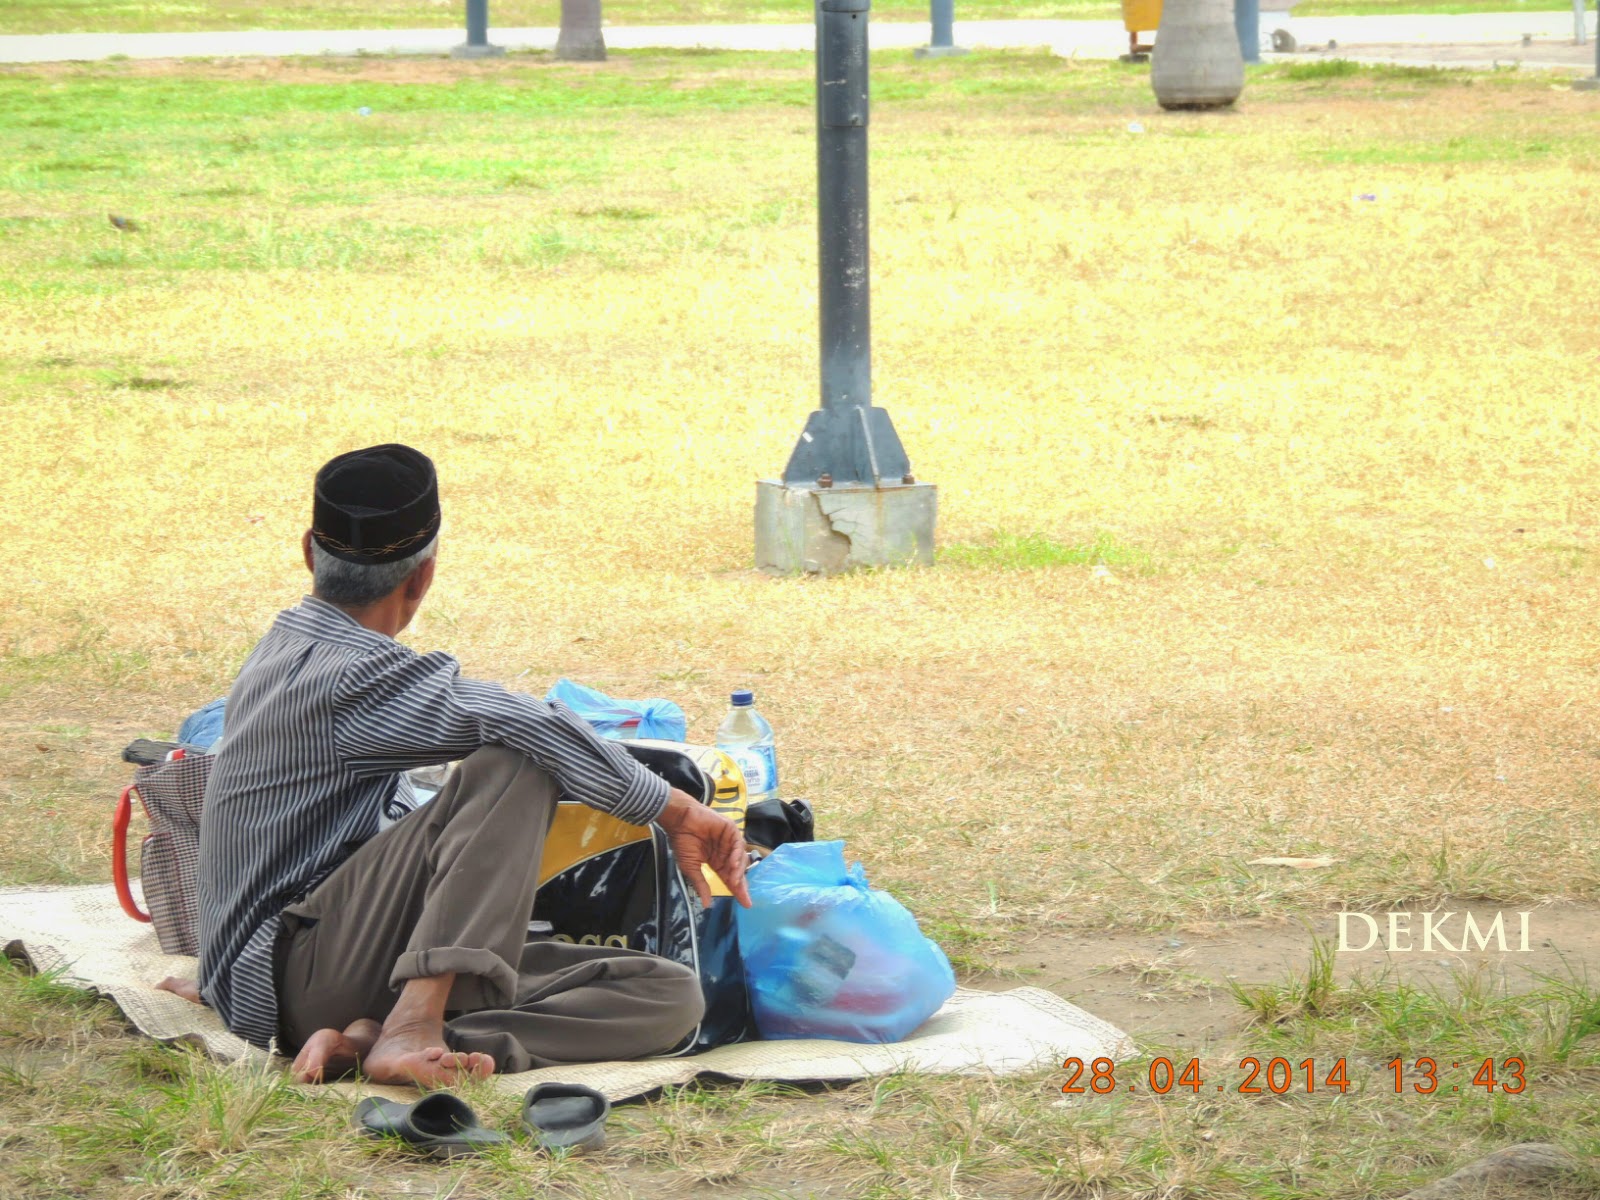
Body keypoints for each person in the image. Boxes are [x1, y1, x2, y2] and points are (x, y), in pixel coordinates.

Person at [196, 443, 751, 1088]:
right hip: (299, 967)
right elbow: (531, 724)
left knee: (668, 995)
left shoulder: (287, 645)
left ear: (308, 553)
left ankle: (378, 1037)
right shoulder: (350, 673)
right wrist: (679, 809)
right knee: (519, 760)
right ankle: (414, 1023)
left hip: (345, 969)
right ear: (423, 577)